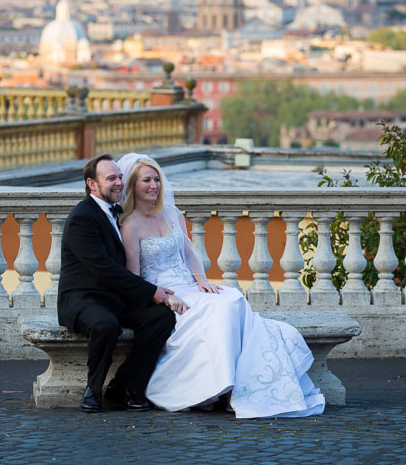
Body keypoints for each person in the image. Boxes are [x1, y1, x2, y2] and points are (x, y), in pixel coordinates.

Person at [117, 153, 326, 419]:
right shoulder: (130, 226)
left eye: (156, 179)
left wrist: (201, 280)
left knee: (232, 300)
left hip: (189, 284)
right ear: (133, 185)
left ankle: (233, 388)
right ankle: (217, 390)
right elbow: (134, 276)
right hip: (165, 293)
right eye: (146, 180)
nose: (154, 185)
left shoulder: (170, 214)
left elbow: (189, 252)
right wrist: (163, 297)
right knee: (215, 313)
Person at [57, 153, 178, 413]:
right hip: (83, 298)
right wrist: (150, 291)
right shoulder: (83, 217)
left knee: (161, 318)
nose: (118, 183)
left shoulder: (117, 211)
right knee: (105, 325)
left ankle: (124, 385)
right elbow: (105, 270)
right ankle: (93, 390)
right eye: (111, 178)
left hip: (112, 297)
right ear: (92, 184)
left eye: (120, 177)